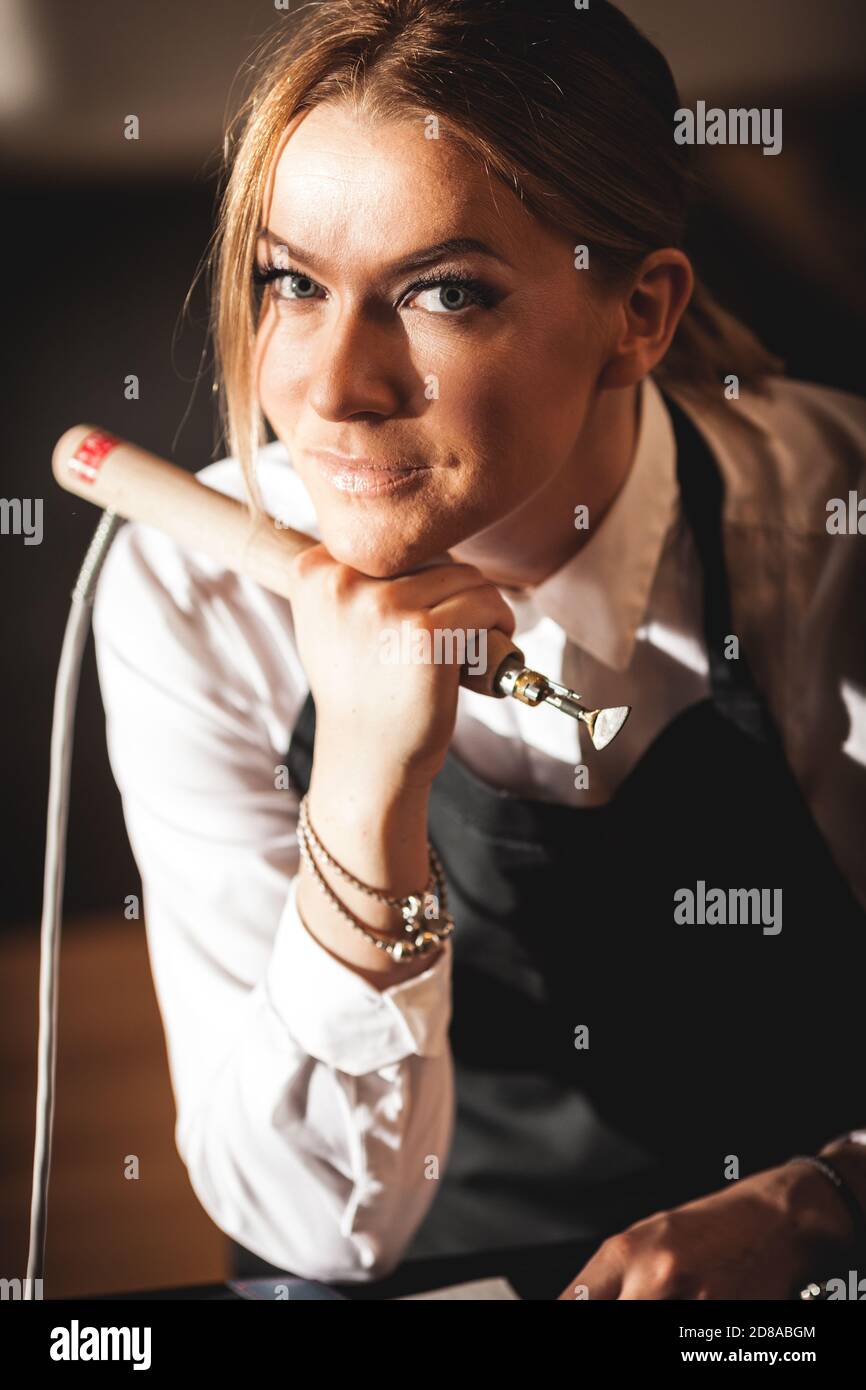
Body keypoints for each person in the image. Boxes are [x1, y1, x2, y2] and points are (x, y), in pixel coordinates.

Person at [92, 0, 866, 1299]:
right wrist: (362, 784)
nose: (334, 386)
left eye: (444, 292)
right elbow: (299, 1221)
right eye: (293, 282)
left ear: (640, 311)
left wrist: (827, 1202)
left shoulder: (834, 534)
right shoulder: (189, 584)